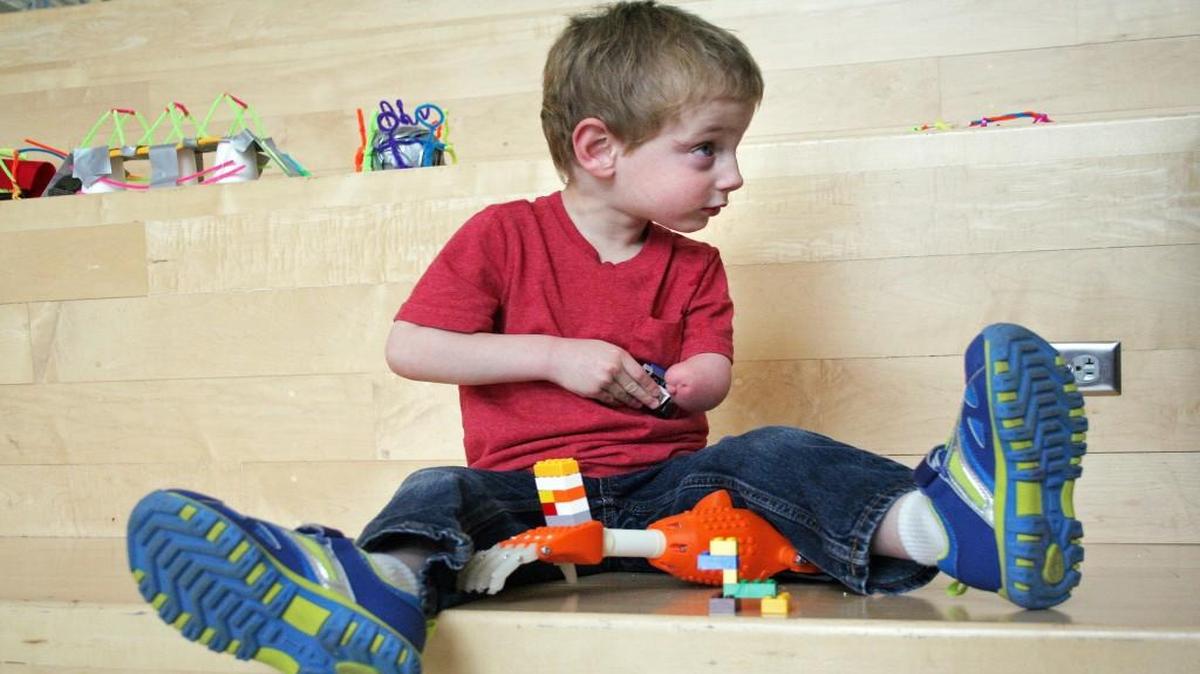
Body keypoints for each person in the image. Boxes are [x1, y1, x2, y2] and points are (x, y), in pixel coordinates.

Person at [125, 3, 1088, 673]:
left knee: (773, 452)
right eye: (707, 148)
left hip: (670, 492)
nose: (733, 176)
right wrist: (553, 355)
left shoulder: (696, 266)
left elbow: (712, 370)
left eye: (734, 149)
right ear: (599, 148)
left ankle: (949, 526)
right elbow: (412, 345)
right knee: (436, 492)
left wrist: (691, 385)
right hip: (526, 493)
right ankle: (373, 590)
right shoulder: (503, 235)